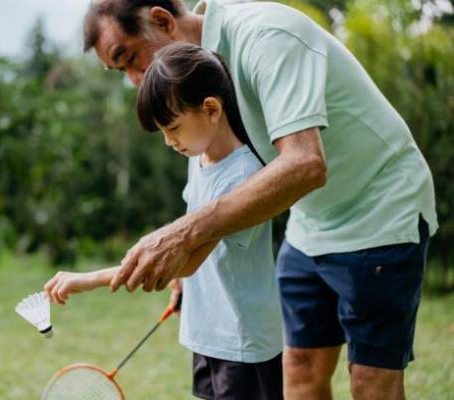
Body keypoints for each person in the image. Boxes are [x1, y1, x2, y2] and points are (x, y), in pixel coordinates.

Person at [80, 1, 438, 399]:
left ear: (161, 20)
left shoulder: (263, 36)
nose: (133, 79)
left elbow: (305, 165)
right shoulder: (198, 78)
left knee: (370, 380)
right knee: (298, 368)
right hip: (311, 221)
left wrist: (182, 236)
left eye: (129, 58)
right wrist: (188, 261)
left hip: (378, 207)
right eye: (121, 71)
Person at [45, 42, 284, 400]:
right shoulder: (199, 158)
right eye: (162, 132)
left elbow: (185, 260)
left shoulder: (244, 176)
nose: (169, 141)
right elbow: (192, 235)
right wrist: (186, 287)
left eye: (173, 127)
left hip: (241, 344)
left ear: (211, 109)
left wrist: (88, 279)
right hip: (209, 336)